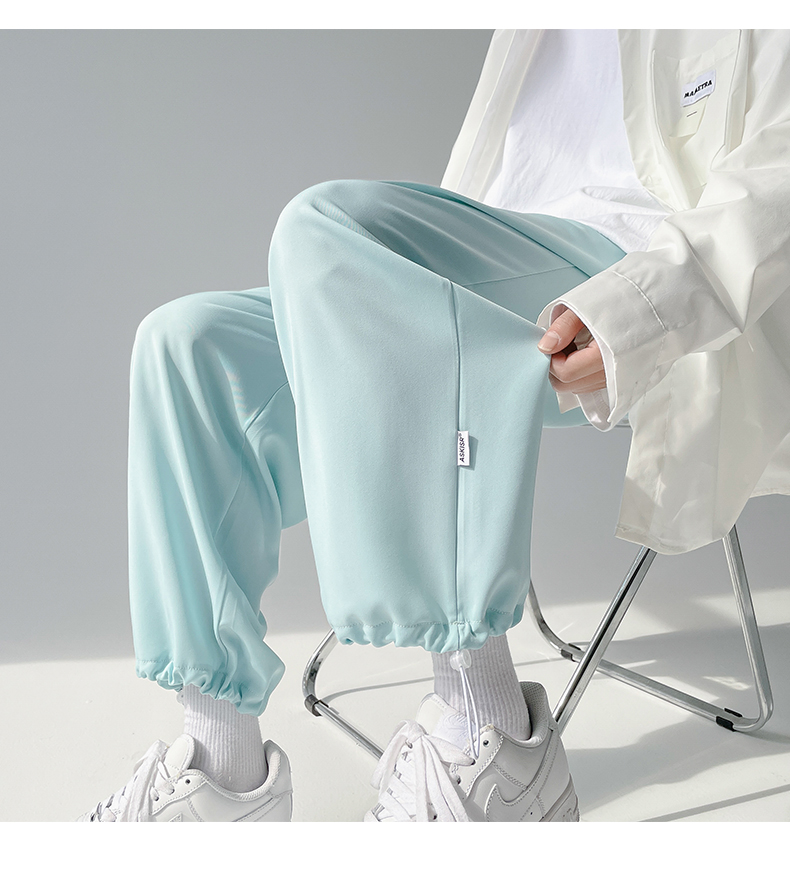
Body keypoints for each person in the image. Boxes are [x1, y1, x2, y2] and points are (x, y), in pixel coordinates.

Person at [78, 29, 790, 822]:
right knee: (187, 345)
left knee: (323, 226)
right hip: (499, 242)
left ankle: (491, 736)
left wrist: (642, 307)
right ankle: (220, 772)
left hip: (640, 261)